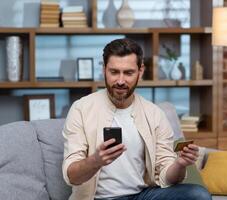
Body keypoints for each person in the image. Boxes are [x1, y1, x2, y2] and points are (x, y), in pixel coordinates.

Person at [62, 38, 212, 200]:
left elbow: (166, 176)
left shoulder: (155, 114)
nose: (120, 81)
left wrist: (180, 164)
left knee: (198, 195)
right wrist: (95, 161)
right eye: (114, 72)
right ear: (104, 69)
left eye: (128, 73)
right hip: (100, 198)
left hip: (142, 196)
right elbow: (71, 176)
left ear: (140, 72)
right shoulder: (81, 109)